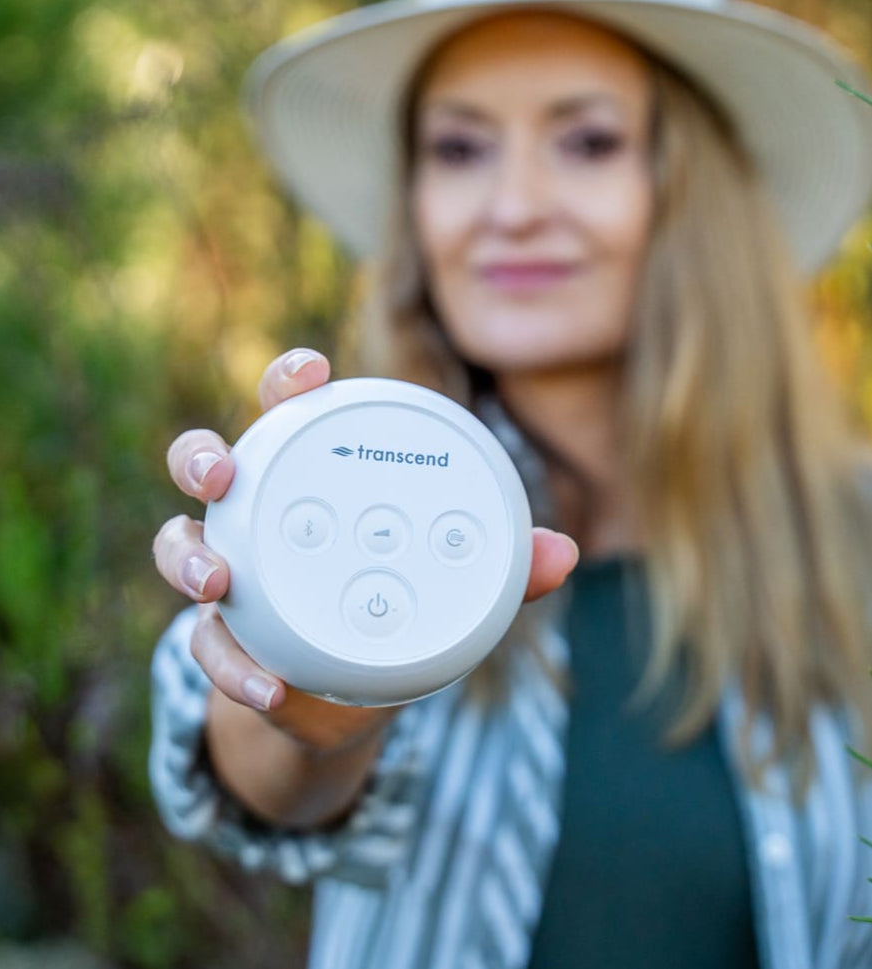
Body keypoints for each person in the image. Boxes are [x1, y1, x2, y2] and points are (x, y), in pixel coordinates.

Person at [149, 1, 872, 966]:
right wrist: (298, 691)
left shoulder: (852, 534)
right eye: (457, 149)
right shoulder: (337, 506)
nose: (515, 205)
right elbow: (265, 777)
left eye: (585, 141)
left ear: (687, 191)